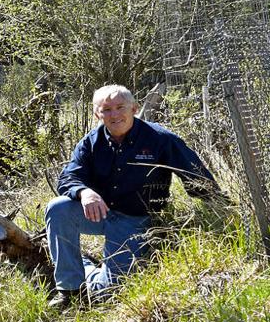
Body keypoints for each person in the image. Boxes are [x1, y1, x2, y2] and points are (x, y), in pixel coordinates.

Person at [44, 84, 222, 309]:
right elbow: (68, 178)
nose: (114, 114)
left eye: (120, 107)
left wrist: (223, 210)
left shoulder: (160, 139)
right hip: (100, 213)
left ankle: (87, 268)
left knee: (109, 292)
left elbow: (196, 176)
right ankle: (70, 291)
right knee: (58, 208)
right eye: (106, 109)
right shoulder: (90, 142)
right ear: (97, 113)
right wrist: (84, 192)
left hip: (135, 221)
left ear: (134, 109)